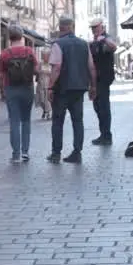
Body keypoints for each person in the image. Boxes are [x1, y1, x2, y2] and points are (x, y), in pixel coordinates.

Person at [47, 16, 97, 164]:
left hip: (62, 89)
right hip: (79, 89)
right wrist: (93, 86)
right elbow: (91, 66)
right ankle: (77, 152)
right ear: (72, 27)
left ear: (60, 27)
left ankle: (56, 153)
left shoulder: (58, 44)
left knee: (57, 121)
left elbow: (56, 68)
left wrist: (50, 86)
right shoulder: (84, 44)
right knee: (77, 121)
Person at [0, 25, 40, 163]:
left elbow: (0, 75)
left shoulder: (5, 54)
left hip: (11, 89)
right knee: (26, 121)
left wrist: (2, 90)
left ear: (9, 38)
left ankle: (16, 154)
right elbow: (37, 69)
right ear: (22, 37)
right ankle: (25, 152)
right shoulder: (29, 51)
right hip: (27, 88)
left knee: (14, 121)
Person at [88, 21, 117, 146]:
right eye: (93, 28)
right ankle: (103, 134)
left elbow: (113, 47)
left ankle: (107, 135)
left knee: (103, 106)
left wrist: (103, 39)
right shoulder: (94, 42)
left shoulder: (106, 38)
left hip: (104, 77)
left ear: (101, 27)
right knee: (98, 106)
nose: (94, 30)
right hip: (96, 78)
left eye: (96, 27)